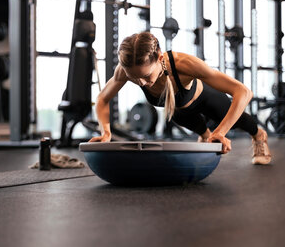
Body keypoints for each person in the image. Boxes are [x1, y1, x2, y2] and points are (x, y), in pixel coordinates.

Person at [89, 31, 271, 164]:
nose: (141, 83)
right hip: (179, 110)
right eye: (134, 78)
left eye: (146, 76)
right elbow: (103, 99)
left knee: (239, 121)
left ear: (160, 58)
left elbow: (243, 92)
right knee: (181, 117)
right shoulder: (124, 71)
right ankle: (205, 135)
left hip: (205, 98)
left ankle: (259, 136)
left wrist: (221, 132)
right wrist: (105, 132)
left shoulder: (184, 64)